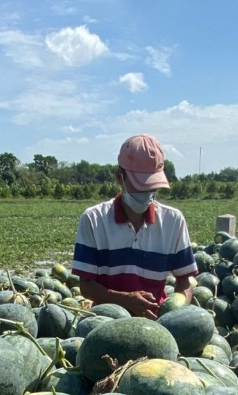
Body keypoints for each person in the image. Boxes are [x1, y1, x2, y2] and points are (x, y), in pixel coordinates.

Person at [71, 134, 197, 319]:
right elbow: (86, 285)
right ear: (119, 177)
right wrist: (124, 299)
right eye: (141, 185)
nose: (147, 193)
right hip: (106, 321)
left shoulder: (173, 221)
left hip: (155, 321)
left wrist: (175, 314)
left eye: (152, 186)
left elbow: (184, 281)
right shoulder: (93, 219)